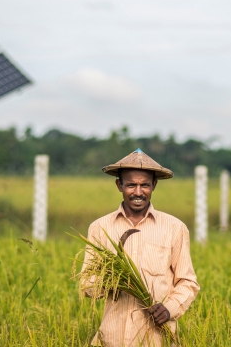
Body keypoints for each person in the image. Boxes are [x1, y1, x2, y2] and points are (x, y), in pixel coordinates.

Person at [82, 149, 200, 347]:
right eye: (131, 185)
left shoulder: (174, 228)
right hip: (111, 339)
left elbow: (188, 282)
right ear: (119, 185)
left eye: (144, 185)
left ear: (154, 185)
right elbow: (87, 283)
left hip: (157, 340)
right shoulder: (100, 228)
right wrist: (109, 280)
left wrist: (169, 309)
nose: (138, 192)